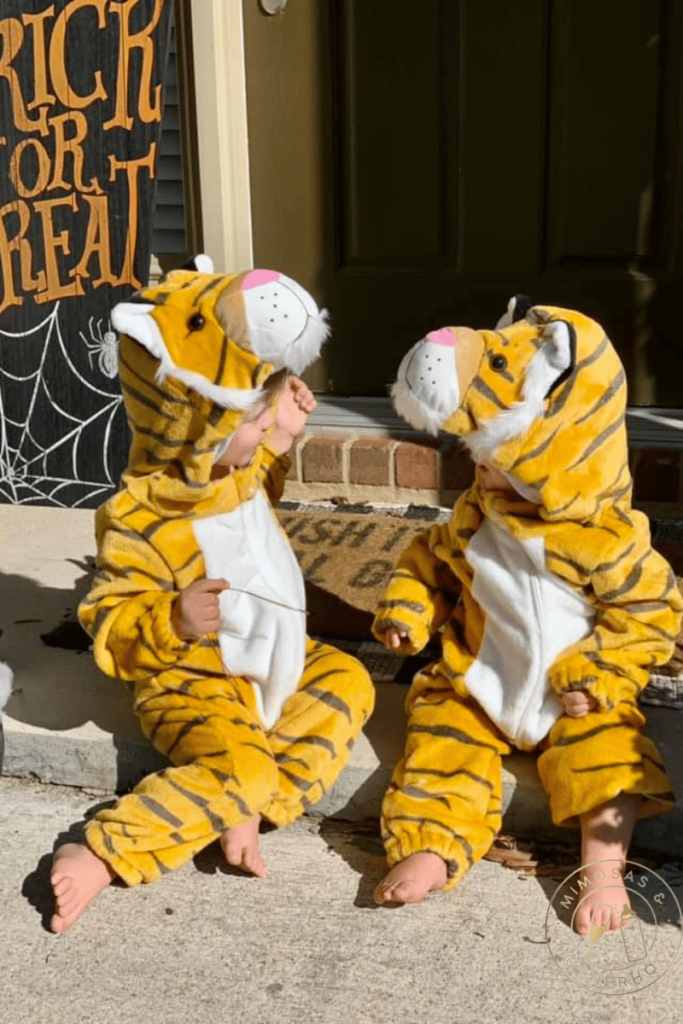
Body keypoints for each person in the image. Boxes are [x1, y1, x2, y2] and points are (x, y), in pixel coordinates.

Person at [50, 260, 374, 933]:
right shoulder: (142, 515)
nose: (256, 438)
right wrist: (168, 618)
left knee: (348, 682)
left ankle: (248, 806)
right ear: (193, 432)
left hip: (276, 659)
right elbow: (109, 621)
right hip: (192, 682)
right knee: (238, 765)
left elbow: (255, 499)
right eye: (248, 424)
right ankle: (107, 848)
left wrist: (281, 432)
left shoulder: (233, 469)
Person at [371, 304, 682, 936]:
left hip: (573, 696)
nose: (477, 468)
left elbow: (651, 613)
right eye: (476, 456)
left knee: (608, 758)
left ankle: (603, 865)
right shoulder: (475, 516)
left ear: (552, 457)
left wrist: (599, 673)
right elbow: (429, 564)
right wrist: (408, 611)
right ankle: (429, 847)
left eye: (494, 458)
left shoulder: (606, 538)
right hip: (479, 681)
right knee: (437, 742)